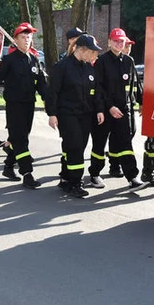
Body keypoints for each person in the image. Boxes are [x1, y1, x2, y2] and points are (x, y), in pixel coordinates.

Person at [0, 22, 47, 189]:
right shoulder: (9, 60)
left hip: (29, 105)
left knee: (18, 138)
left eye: (29, 37)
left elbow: (41, 85)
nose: (27, 40)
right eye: (23, 37)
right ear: (16, 39)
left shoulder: (34, 60)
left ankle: (8, 166)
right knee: (21, 140)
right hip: (14, 105)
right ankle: (27, 173)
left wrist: (50, 102)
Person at [87, 28, 147, 189]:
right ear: (109, 42)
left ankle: (132, 177)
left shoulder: (129, 61)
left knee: (125, 143)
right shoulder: (101, 62)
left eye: (122, 41)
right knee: (99, 143)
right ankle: (94, 174)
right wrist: (107, 107)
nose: (119, 44)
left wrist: (141, 102)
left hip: (123, 110)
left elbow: (135, 83)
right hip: (106, 110)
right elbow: (98, 88)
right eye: (116, 41)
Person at [47, 34, 104, 199]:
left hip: (85, 115)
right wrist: (52, 114)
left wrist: (99, 109)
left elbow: (95, 91)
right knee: (76, 147)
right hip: (67, 114)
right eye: (93, 52)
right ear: (82, 50)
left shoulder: (88, 68)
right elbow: (53, 93)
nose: (95, 55)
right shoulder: (62, 67)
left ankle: (65, 176)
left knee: (75, 146)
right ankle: (75, 182)